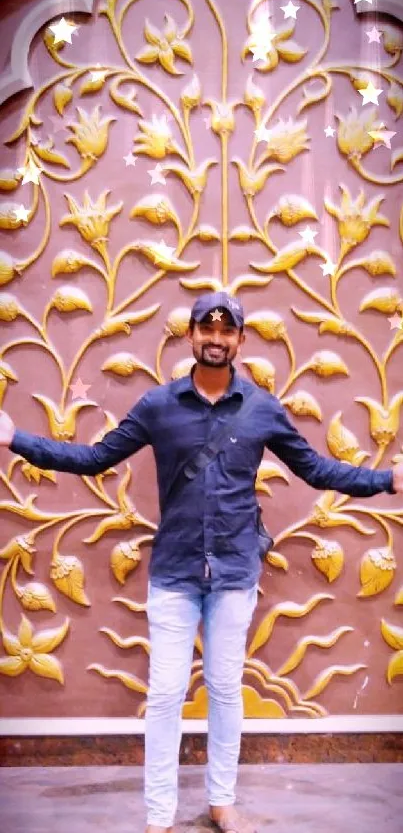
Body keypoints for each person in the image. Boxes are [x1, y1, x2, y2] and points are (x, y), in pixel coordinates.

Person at [0, 291, 402, 833]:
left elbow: (316, 470)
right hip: (175, 572)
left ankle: (221, 801)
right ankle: (159, 813)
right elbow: (95, 458)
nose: (216, 339)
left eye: (226, 331)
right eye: (206, 330)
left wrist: (387, 480)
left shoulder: (262, 409)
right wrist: (15, 439)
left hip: (235, 572)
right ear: (190, 335)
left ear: (240, 340)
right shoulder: (158, 406)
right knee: (166, 694)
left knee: (225, 689)